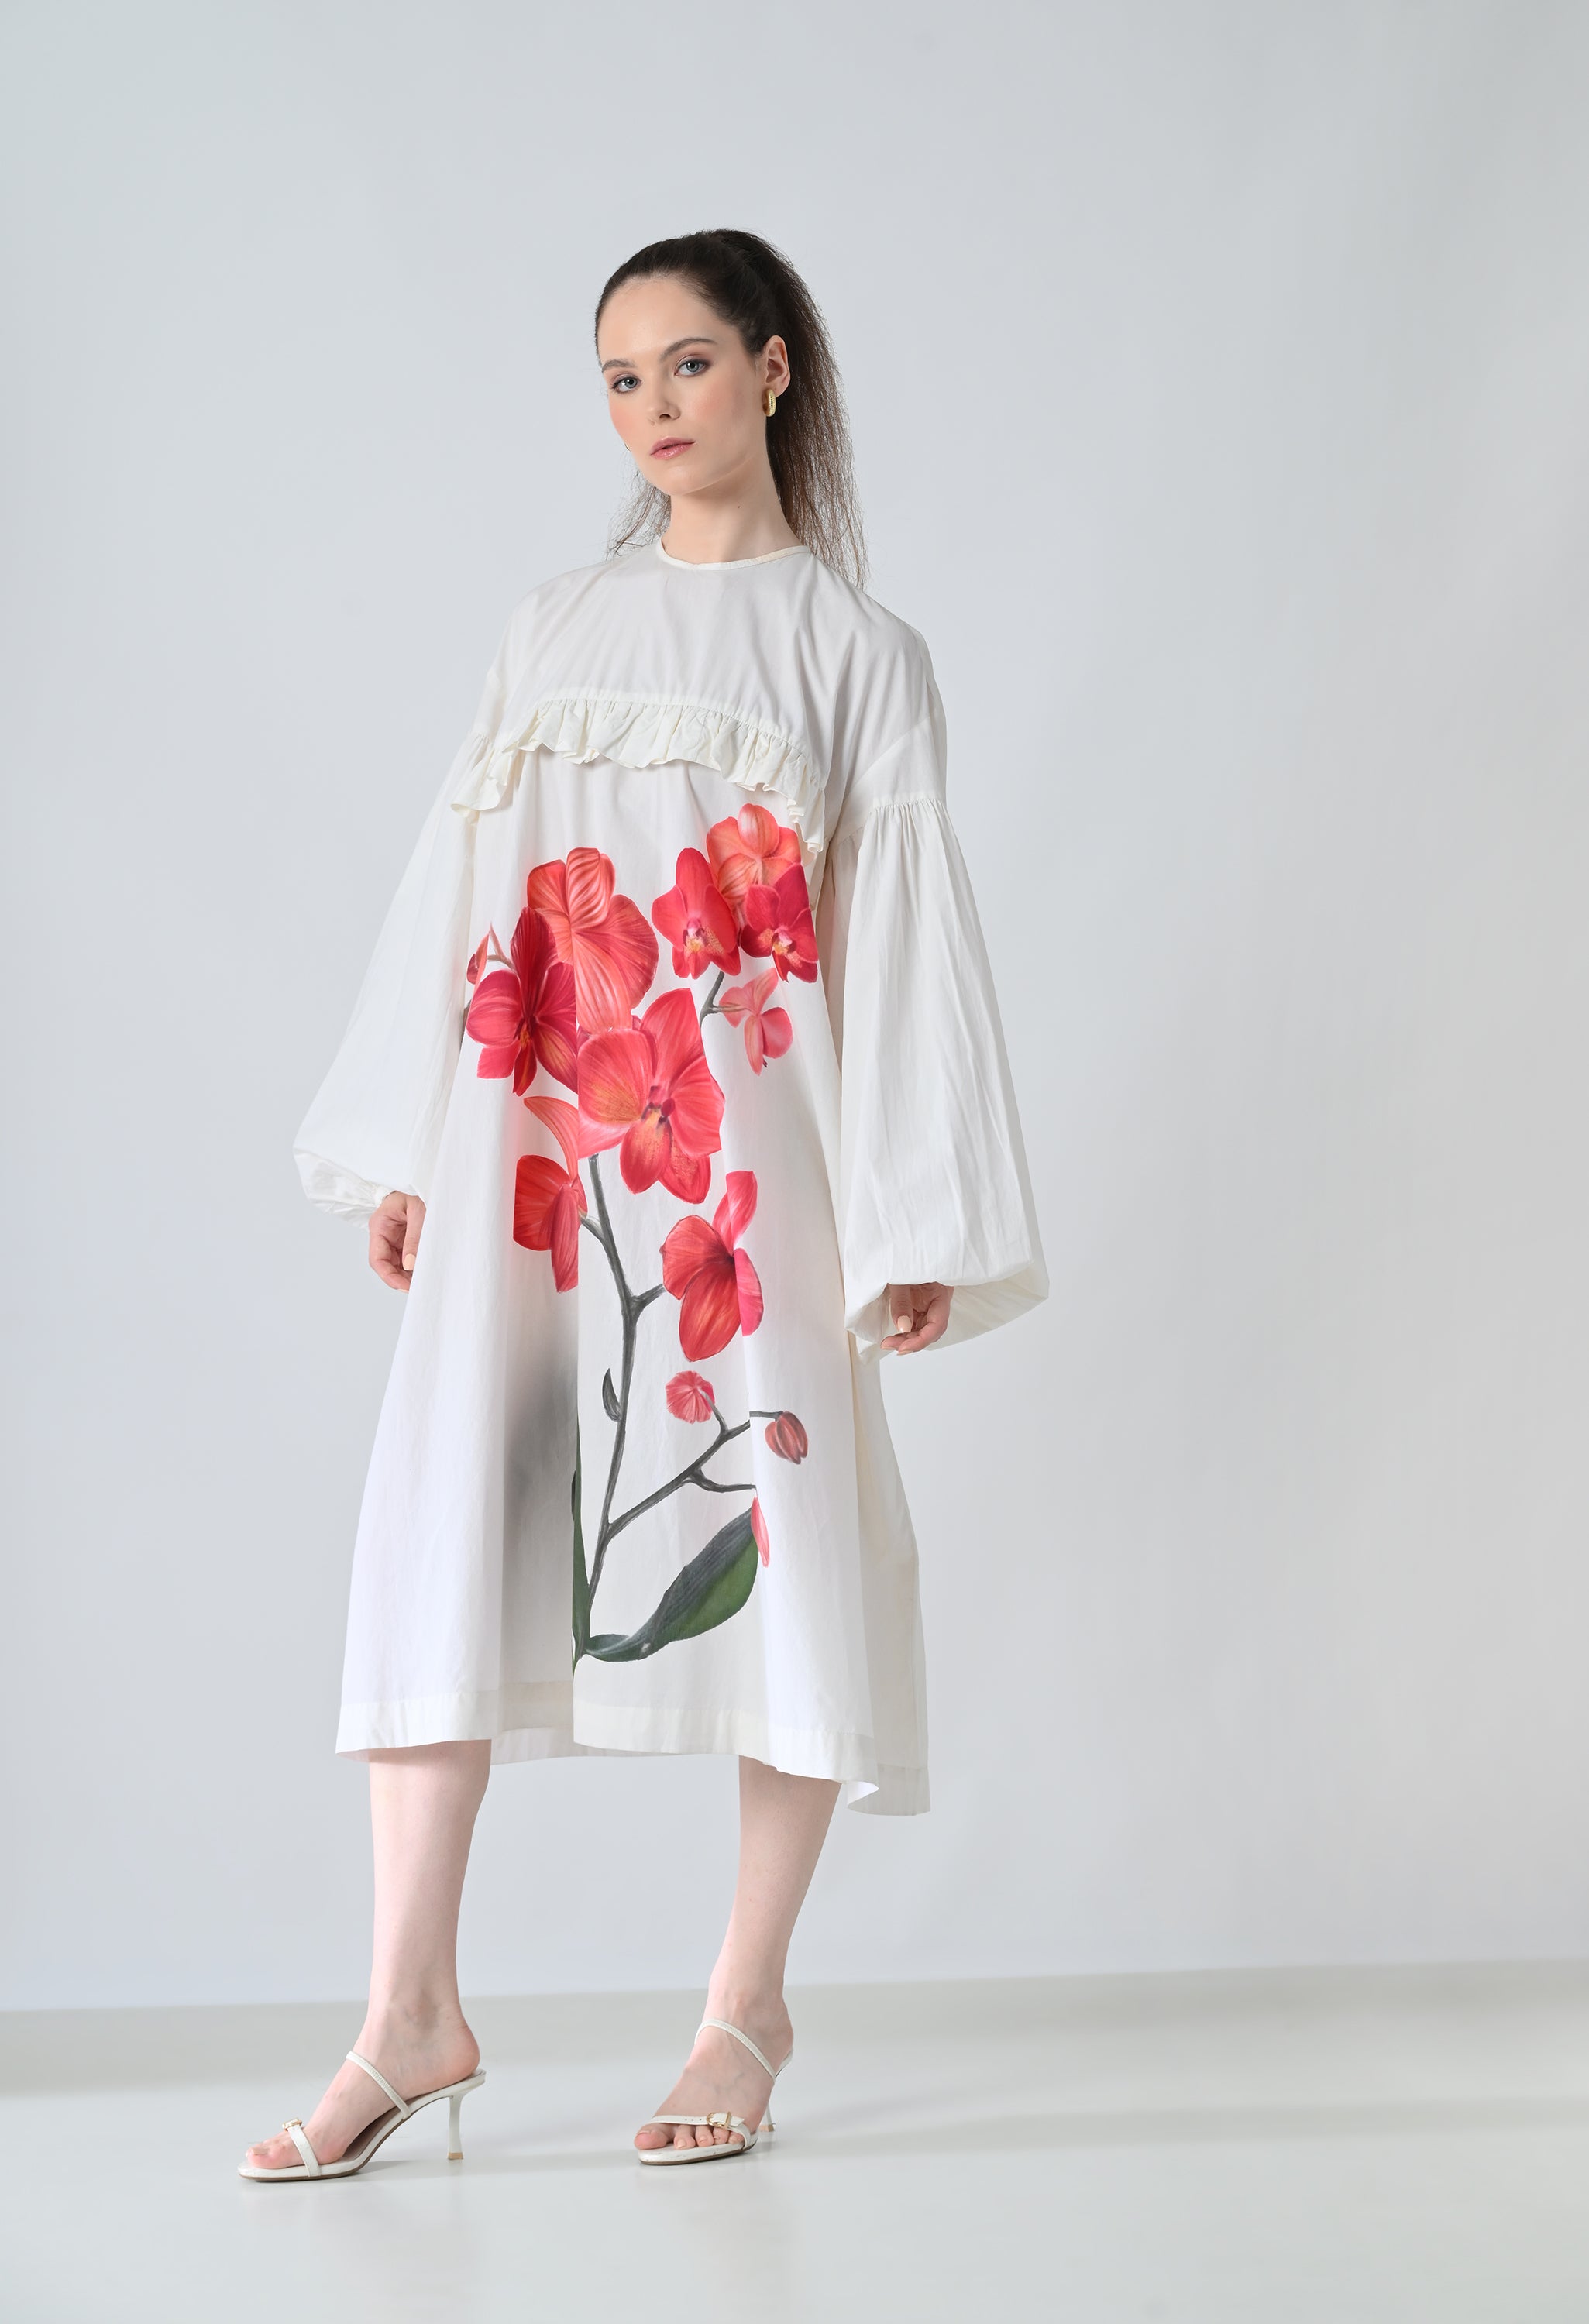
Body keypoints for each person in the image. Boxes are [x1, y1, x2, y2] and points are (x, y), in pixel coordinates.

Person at [241, 228, 1046, 2180]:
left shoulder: (859, 657)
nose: (652, 408)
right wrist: (410, 1144)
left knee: (787, 1546)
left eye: (686, 364)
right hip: (538, 1159)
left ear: (773, 369)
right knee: (447, 1529)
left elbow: (898, 954)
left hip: (744, 1182)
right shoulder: (550, 628)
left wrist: (915, 1215)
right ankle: (408, 2015)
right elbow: (463, 890)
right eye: (619, 378)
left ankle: (744, 2006)